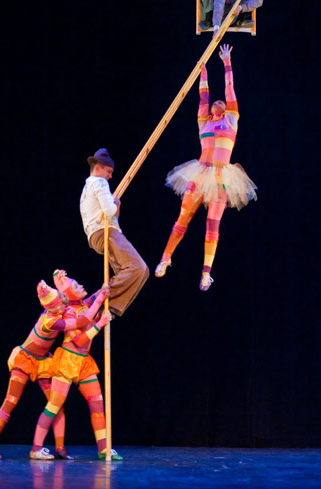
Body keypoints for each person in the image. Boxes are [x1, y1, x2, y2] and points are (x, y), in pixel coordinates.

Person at [155, 44, 257, 291]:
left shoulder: (231, 120)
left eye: (222, 102)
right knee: (183, 217)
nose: (218, 102)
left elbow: (230, 89)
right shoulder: (204, 122)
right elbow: (203, 95)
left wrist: (226, 62)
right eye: (216, 102)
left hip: (222, 175)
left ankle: (206, 272)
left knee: (212, 224)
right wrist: (202, 71)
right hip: (200, 172)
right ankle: (165, 258)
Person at [0, 280, 106, 460]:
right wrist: (99, 305)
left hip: (44, 361)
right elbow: (84, 319)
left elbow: (84, 303)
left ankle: (60, 448)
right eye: (63, 300)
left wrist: (102, 290)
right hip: (25, 360)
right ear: (57, 306)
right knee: (10, 401)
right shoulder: (51, 322)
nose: (66, 302)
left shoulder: (60, 311)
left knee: (56, 405)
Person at [31, 269, 123, 461]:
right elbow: (80, 340)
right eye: (75, 286)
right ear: (70, 295)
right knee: (54, 405)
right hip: (67, 361)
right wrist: (101, 323)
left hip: (84, 363)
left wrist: (105, 289)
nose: (80, 286)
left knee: (97, 404)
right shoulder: (68, 313)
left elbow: (94, 298)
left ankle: (104, 449)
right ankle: (36, 449)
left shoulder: (83, 304)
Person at [80, 148, 149, 317]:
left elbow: (111, 214)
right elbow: (110, 211)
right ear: (97, 168)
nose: (110, 176)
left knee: (134, 272)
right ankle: (98, 299)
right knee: (138, 268)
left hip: (100, 235)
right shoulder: (98, 182)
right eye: (109, 171)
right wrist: (115, 202)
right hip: (105, 233)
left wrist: (114, 205)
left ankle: (105, 308)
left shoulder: (88, 187)